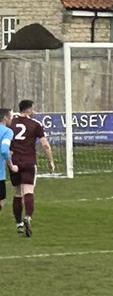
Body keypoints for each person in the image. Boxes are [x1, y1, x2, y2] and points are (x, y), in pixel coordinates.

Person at [9, 99, 55, 237]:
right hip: (29, 162)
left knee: (17, 193)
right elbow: (45, 145)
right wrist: (50, 161)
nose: (33, 111)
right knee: (28, 191)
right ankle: (28, 217)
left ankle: (19, 225)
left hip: (14, 162)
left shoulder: (11, 123)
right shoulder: (35, 124)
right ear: (28, 110)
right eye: (32, 109)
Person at [0, 109, 13, 215]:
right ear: (5, 118)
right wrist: (12, 166)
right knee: (1, 202)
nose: (11, 119)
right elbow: (4, 150)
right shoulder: (6, 131)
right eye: (10, 116)